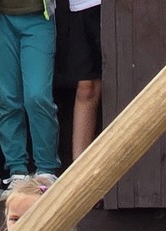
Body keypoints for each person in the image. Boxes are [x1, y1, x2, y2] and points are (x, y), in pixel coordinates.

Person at [0, 0, 60, 180]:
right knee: (6, 99)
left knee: (37, 96)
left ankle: (46, 170)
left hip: (39, 17)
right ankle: (17, 172)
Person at [58, 0, 104, 160]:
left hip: (117, 9)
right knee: (86, 86)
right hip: (80, 6)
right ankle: (78, 172)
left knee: (122, 81)